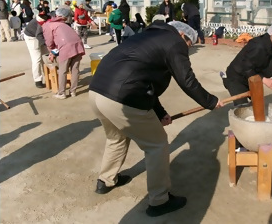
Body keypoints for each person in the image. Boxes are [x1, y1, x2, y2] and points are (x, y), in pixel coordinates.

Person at [88, 13, 222, 217]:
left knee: (116, 138)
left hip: (97, 92)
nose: (188, 49)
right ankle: (159, 200)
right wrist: (210, 101)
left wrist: (160, 113)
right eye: (189, 44)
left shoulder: (148, 35)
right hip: (123, 98)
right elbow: (187, 80)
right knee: (157, 145)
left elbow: (143, 79)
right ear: (182, 36)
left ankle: (106, 180)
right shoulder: (175, 42)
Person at [223, 20, 272, 106]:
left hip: (253, 78)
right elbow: (246, 67)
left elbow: (266, 66)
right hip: (237, 77)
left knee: (258, 104)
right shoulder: (258, 46)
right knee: (242, 107)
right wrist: (264, 79)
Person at [43, 6, 85, 99]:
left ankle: (62, 93)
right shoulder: (65, 25)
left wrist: (51, 52)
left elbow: (49, 42)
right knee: (75, 70)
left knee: (63, 70)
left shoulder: (48, 25)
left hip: (66, 48)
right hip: (78, 46)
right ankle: (73, 91)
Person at [22, 12, 49, 88]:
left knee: (45, 56)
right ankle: (38, 80)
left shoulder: (48, 18)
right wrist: (46, 44)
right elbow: (39, 35)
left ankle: (48, 76)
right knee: (37, 59)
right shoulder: (39, 22)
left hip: (38, 36)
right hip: (31, 38)